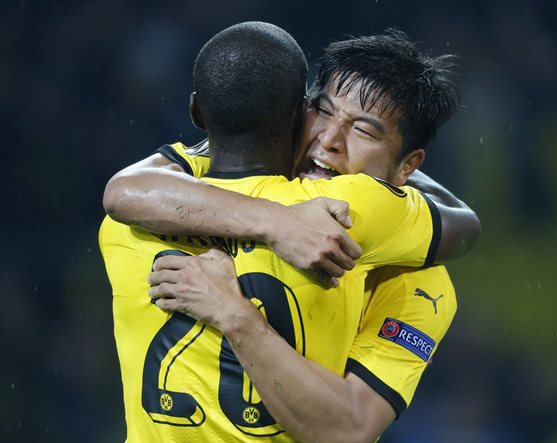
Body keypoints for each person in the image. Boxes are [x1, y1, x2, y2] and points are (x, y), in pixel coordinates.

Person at [100, 23, 478, 443]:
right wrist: (277, 222)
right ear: (297, 112)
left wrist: (237, 316)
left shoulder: (157, 205)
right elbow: (462, 224)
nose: (331, 140)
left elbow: (123, 190)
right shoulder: (365, 212)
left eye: (364, 130)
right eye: (325, 110)